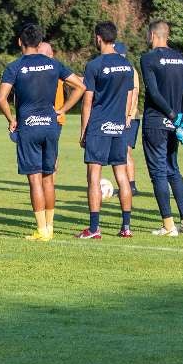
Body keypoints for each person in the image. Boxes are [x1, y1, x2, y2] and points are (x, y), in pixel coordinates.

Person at [0, 23, 84, 240]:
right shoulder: (54, 64)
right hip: (51, 125)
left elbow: (1, 98)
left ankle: (42, 230)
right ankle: (51, 228)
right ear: (39, 42)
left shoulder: (15, 67)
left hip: (29, 126)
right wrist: (62, 110)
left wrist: (11, 119)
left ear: (20, 42)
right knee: (48, 178)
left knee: (34, 179)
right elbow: (80, 86)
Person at [77, 22, 135, 239]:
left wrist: (84, 131)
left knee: (94, 176)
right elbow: (129, 96)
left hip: (99, 127)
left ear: (98, 38)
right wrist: (125, 119)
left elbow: (87, 101)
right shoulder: (126, 65)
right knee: (122, 175)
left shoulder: (94, 65)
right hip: (119, 126)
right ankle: (126, 227)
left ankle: (94, 229)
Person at [140, 20, 183, 236]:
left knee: (158, 173)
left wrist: (171, 116)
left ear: (153, 35)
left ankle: (168, 226)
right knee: (173, 169)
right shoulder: (181, 59)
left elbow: (153, 93)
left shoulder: (148, 58)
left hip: (156, 121)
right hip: (176, 125)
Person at [115, 41, 141, 197]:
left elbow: (134, 93)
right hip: (120, 117)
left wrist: (129, 116)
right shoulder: (120, 70)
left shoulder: (131, 70)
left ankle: (132, 186)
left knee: (125, 152)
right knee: (120, 152)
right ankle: (124, 185)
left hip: (130, 118)